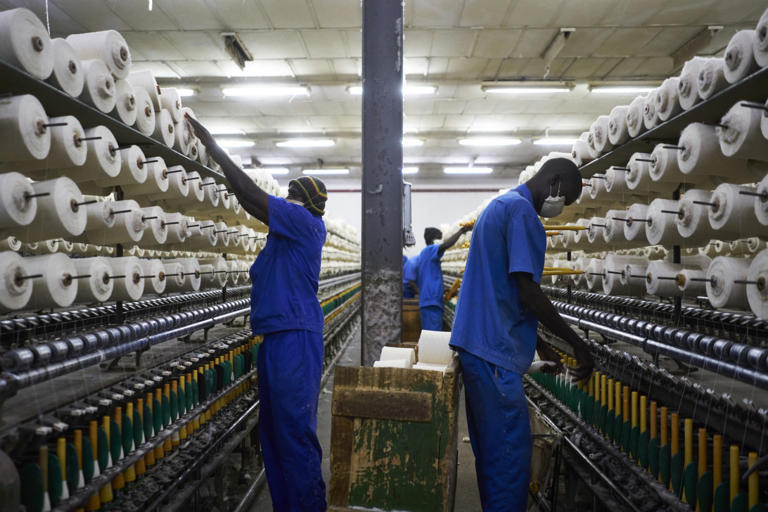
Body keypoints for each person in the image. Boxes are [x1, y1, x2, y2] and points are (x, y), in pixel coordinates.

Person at [187, 115, 327, 512]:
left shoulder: (305, 224)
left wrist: (213, 148)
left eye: (289, 199)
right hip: (276, 341)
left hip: (295, 340)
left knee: (295, 435)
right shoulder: (283, 236)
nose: (283, 205)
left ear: (300, 203)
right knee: (274, 436)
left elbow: (252, 196)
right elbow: (249, 202)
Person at [449, 158, 594, 511]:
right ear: (555, 182)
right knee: (510, 460)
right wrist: (578, 345)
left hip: (478, 346)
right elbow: (528, 290)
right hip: (495, 355)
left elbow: (505, 289)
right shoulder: (523, 214)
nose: (563, 208)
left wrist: (539, 344)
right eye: (567, 199)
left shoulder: (499, 206)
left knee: (491, 455)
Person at [409, 225, 472, 331]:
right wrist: (461, 231)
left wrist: (442, 290)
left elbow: (430, 277)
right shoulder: (430, 250)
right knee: (433, 337)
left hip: (428, 301)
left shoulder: (424, 254)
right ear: (434, 240)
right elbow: (445, 245)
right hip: (432, 303)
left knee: (429, 335)